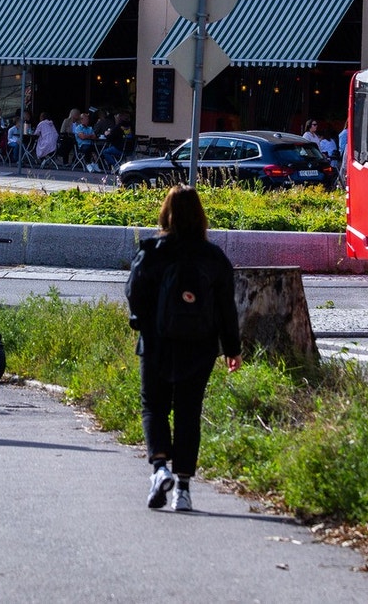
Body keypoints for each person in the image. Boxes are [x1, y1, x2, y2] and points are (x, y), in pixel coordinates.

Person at [124, 186, 241, 513]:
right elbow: (226, 308)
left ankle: (160, 468)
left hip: (157, 341)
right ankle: (184, 491)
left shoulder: (153, 251)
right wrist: (232, 348)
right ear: (201, 216)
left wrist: (142, 323)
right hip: (200, 346)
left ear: (166, 213)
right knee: (189, 412)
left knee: (154, 406)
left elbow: (133, 292)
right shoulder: (214, 257)